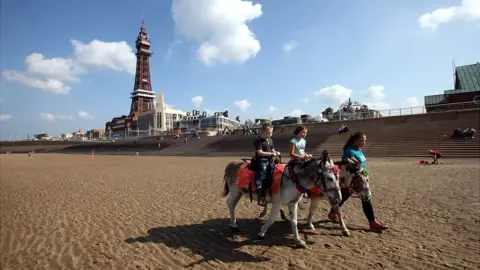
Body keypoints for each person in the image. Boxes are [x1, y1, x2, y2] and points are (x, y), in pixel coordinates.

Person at [327, 132, 388, 230]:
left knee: (344, 196)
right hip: (354, 179)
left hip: (361, 176)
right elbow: (347, 166)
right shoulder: (349, 151)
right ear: (355, 140)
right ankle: (372, 222)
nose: (363, 142)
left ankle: (333, 212)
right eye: (361, 140)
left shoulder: (358, 150)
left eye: (364, 141)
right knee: (366, 198)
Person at [253, 124, 281, 205]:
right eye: (268, 133)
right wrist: (271, 154)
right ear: (262, 132)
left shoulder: (271, 141)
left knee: (277, 169)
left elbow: (272, 149)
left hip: (270, 159)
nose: (270, 135)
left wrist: (276, 152)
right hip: (261, 159)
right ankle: (258, 185)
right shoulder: (258, 141)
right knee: (263, 168)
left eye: (271, 133)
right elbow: (260, 152)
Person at [289, 125, 313, 210]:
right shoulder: (293, 141)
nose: (304, 134)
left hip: (303, 160)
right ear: (297, 132)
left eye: (305, 133)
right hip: (295, 161)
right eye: (302, 132)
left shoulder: (304, 141)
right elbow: (291, 154)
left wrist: (307, 155)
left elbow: (302, 151)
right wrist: (301, 156)